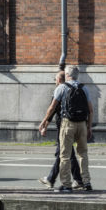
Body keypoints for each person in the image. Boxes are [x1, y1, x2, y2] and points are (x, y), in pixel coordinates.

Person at [39, 64, 93, 193]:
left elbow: (52, 108)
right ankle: (86, 182)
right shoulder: (84, 88)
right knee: (83, 154)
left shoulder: (61, 88)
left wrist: (44, 121)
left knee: (65, 155)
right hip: (82, 124)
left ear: (67, 75)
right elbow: (91, 110)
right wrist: (89, 127)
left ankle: (66, 184)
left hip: (67, 123)